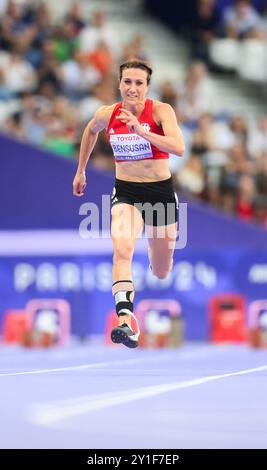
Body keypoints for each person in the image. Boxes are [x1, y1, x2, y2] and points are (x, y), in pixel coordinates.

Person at [73, 59, 185, 348]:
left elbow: (178, 147)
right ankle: (126, 319)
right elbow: (90, 130)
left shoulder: (161, 111)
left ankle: (156, 250)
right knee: (122, 250)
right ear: (120, 84)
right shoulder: (107, 114)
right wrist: (81, 170)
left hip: (160, 193)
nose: (132, 88)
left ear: (147, 87)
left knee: (161, 270)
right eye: (127, 82)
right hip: (126, 192)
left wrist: (141, 131)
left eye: (139, 83)